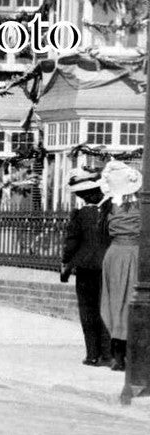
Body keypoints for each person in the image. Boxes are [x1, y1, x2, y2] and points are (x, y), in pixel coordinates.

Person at [61, 167, 112, 366]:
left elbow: (71, 243)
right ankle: (107, 355)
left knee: (87, 310)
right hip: (107, 266)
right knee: (105, 309)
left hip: (85, 267)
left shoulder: (80, 215)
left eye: (82, 194)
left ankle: (92, 354)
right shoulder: (111, 211)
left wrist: (66, 261)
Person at [100, 159, 142, 372]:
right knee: (134, 301)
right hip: (135, 253)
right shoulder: (141, 205)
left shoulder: (108, 205)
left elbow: (101, 233)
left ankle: (117, 355)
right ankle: (132, 353)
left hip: (114, 254)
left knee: (115, 301)